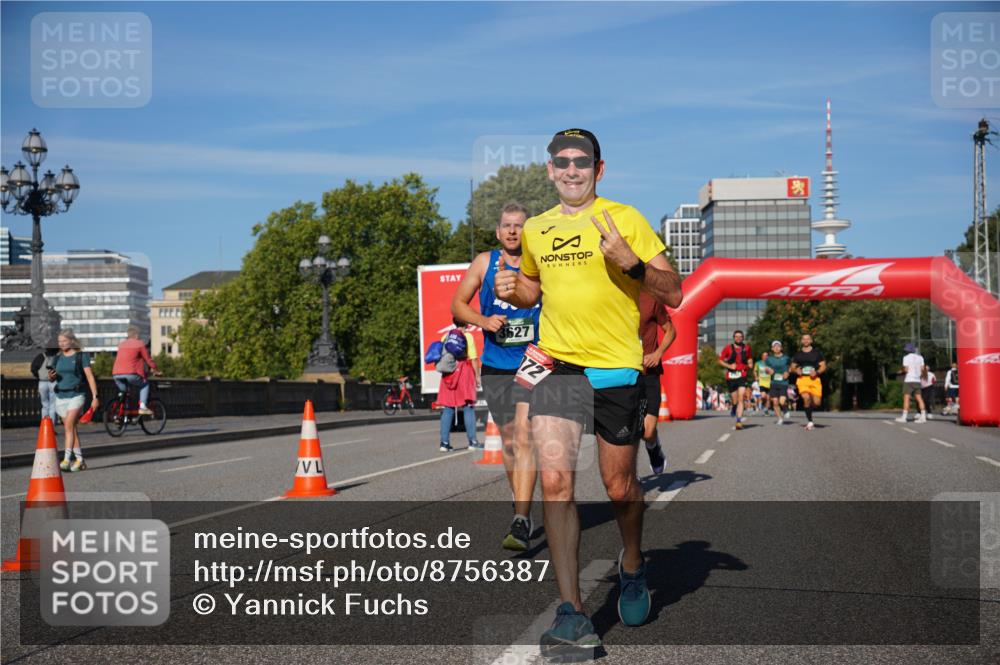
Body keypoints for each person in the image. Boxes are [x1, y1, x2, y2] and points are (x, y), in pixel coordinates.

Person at [494, 128, 682, 656]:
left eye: (583, 161)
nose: (571, 169)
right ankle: (572, 612)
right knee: (556, 482)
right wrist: (516, 288)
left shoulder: (626, 219)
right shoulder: (536, 229)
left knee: (620, 488)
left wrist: (633, 263)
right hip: (557, 367)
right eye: (562, 161)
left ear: (599, 170)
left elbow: (677, 292)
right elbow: (536, 287)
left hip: (616, 371)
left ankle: (632, 563)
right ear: (549, 168)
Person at [451, 201, 541, 551]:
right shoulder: (485, 262)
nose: (513, 231)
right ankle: (522, 506)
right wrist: (483, 321)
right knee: (509, 442)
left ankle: (520, 517)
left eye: (519, 225)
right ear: (498, 231)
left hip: (534, 361)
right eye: (507, 225)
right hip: (497, 363)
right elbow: (458, 304)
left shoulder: (539, 264)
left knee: (525, 436)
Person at [48, 329, 99, 472]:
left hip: (77, 395)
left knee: (69, 425)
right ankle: (80, 460)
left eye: (64, 341)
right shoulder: (57, 358)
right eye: (59, 341)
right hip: (61, 396)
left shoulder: (80, 356)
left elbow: (89, 377)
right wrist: (51, 377)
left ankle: (66, 459)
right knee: (71, 429)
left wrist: (95, 397)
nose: (61, 344)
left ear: (71, 340)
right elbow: (54, 377)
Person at [638, 290, 675, 475]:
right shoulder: (609, 295)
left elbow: (671, 330)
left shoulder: (650, 299)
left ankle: (653, 447)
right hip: (620, 372)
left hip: (648, 373)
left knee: (647, 432)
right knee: (626, 430)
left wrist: (658, 353)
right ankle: (627, 475)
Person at [436, 319, 482, 452]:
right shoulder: (468, 337)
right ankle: (472, 441)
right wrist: (477, 376)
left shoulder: (446, 336)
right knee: (468, 407)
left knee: (448, 407)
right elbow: (473, 358)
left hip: (449, 373)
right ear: (467, 324)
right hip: (464, 372)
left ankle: (444, 443)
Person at [111, 326, 160, 415]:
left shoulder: (121, 344)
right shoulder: (139, 343)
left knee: (125, 392)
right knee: (144, 384)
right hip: (131, 374)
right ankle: (142, 407)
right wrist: (156, 369)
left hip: (116, 374)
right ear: (136, 335)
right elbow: (148, 359)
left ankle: (122, 412)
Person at [789, 333, 826, 431]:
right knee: (806, 398)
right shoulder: (798, 354)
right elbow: (792, 367)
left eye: (808, 339)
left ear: (811, 341)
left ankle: (809, 409)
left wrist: (817, 372)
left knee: (817, 403)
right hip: (802, 380)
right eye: (804, 339)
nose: (806, 341)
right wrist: (796, 370)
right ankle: (810, 421)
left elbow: (823, 366)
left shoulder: (817, 353)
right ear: (801, 341)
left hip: (815, 380)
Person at [718, 330, 752, 430]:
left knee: (741, 397)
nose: (738, 338)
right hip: (731, 376)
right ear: (733, 337)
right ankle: (734, 406)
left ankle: (738, 420)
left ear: (743, 338)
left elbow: (750, 358)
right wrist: (729, 366)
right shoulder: (728, 348)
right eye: (736, 337)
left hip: (742, 374)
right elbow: (720, 361)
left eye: (740, 337)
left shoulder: (747, 348)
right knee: (735, 399)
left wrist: (750, 364)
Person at [895, 343, 927, 424]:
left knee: (906, 398)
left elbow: (906, 369)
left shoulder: (906, 358)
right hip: (917, 380)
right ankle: (923, 416)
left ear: (907, 350)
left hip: (909, 380)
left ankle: (904, 417)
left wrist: (901, 371)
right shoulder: (920, 357)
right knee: (919, 399)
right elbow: (922, 369)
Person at [765, 340, 791, 425]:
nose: (776, 348)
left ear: (781, 348)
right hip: (773, 382)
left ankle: (785, 409)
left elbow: (791, 367)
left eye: (778, 346)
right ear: (772, 349)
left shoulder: (786, 358)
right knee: (775, 402)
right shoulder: (769, 359)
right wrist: (769, 371)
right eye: (775, 346)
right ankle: (780, 418)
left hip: (783, 382)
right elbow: (766, 369)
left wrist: (788, 372)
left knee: (782, 401)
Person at [31, 346, 59, 423]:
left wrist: (38, 376)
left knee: (44, 405)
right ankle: (52, 427)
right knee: (53, 405)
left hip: (42, 382)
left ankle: (45, 426)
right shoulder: (57, 357)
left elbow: (33, 368)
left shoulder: (40, 356)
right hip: (54, 382)